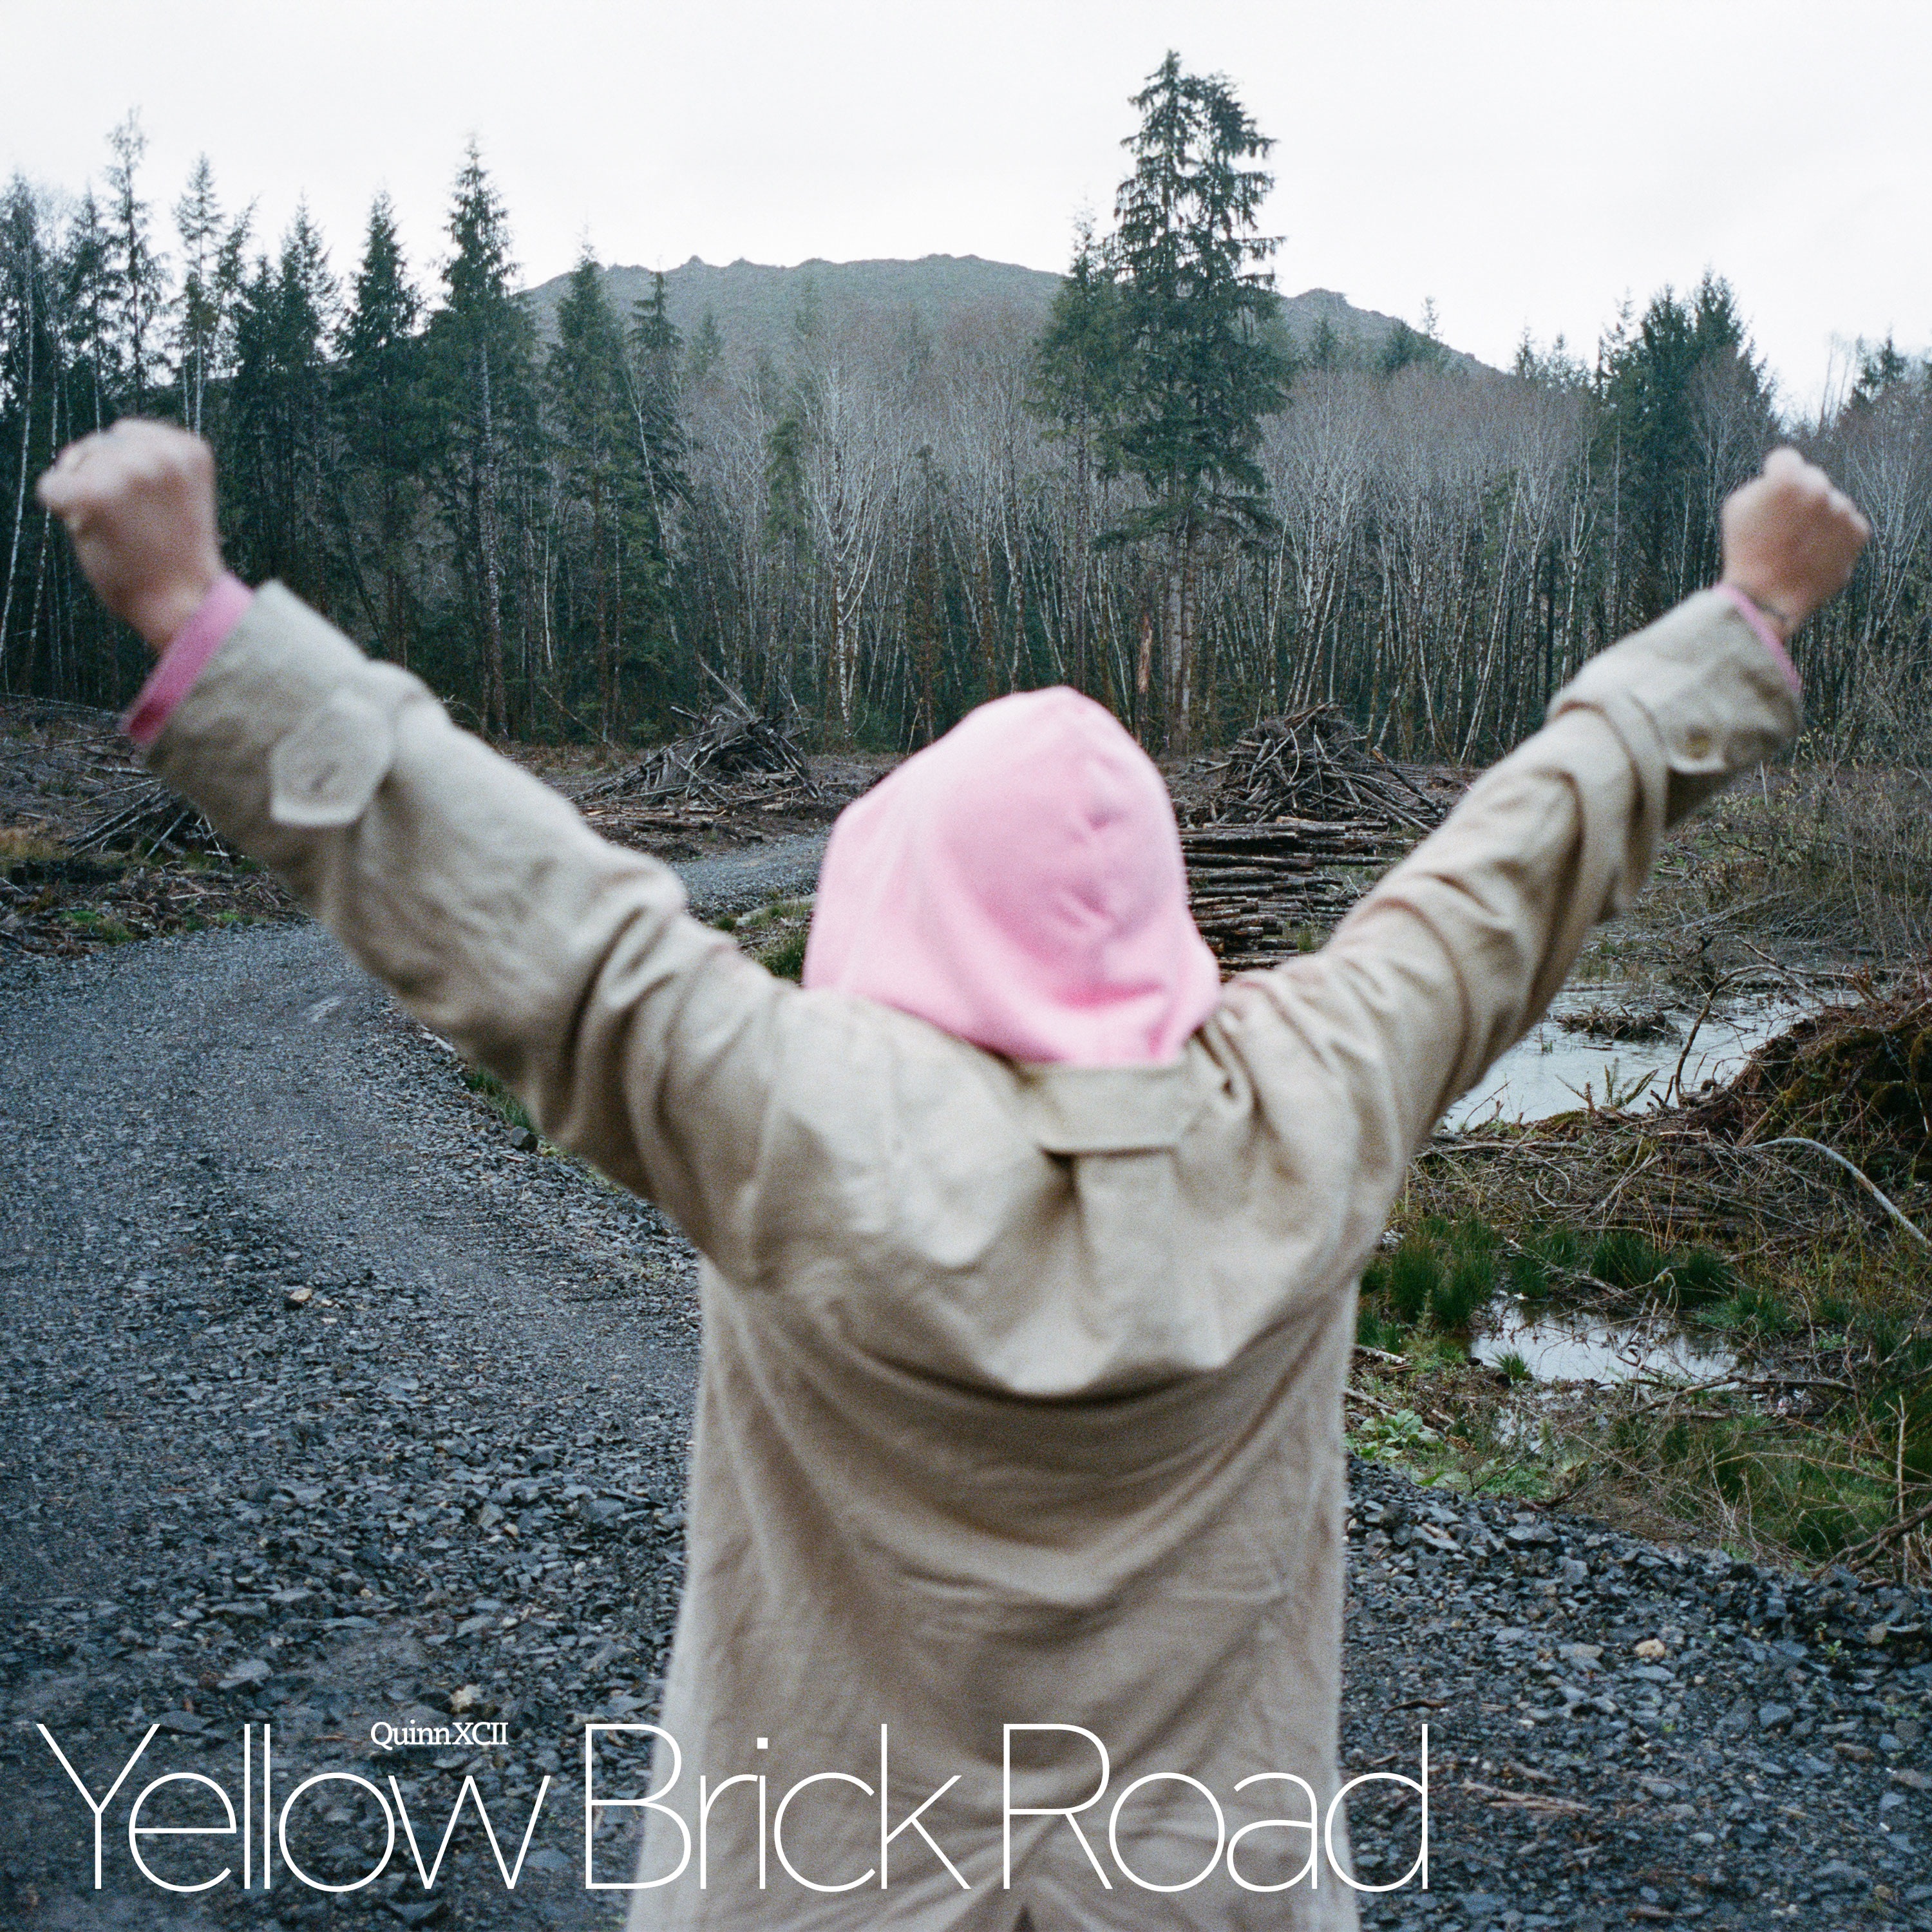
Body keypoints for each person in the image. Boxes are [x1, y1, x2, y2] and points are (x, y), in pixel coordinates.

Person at [38, 424, 1866, 1930]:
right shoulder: (1313, 1096)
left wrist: (208, 624)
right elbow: (1516, 866)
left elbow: (550, 935)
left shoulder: (790, 1115)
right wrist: (1749, 613)